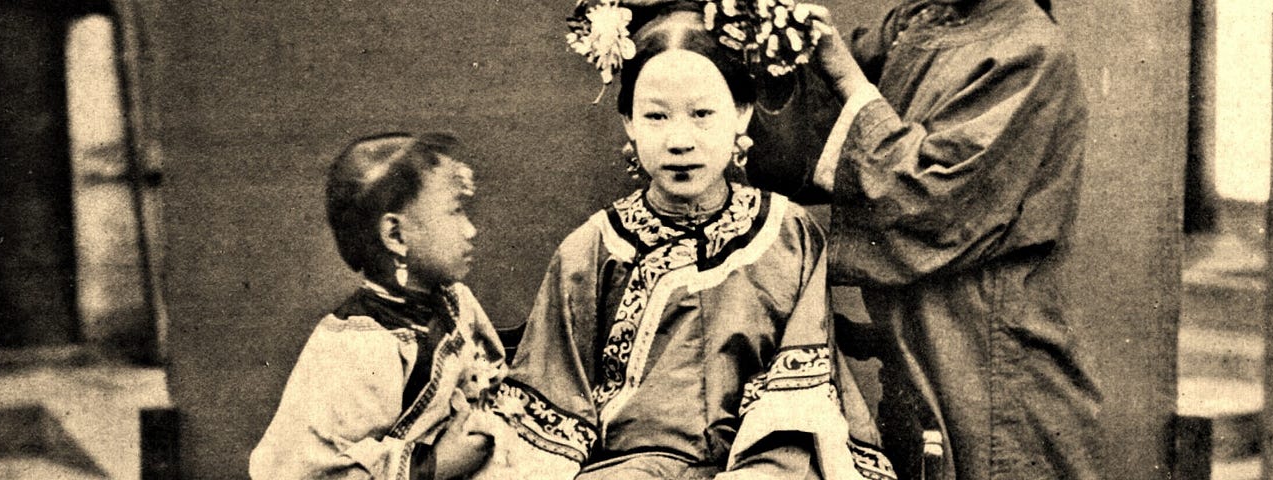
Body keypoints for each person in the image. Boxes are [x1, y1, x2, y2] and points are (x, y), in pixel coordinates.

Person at [468, 5, 894, 479]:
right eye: (656, 116)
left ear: (742, 113)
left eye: (702, 114)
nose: (679, 140)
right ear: (629, 122)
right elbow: (551, 413)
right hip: (628, 466)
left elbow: (797, 400)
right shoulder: (590, 249)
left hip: (764, 463)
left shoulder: (788, 234)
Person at [747, 0, 1104, 478]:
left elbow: (926, 197)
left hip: (992, 364)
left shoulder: (1034, 52)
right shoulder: (915, 21)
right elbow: (809, 118)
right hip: (922, 348)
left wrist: (847, 76)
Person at [249, 133, 508, 480]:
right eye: (455, 212)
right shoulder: (358, 342)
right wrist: (435, 465)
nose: (471, 230)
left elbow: (494, 375)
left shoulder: (456, 301)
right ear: (396, 236)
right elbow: (309, 470)